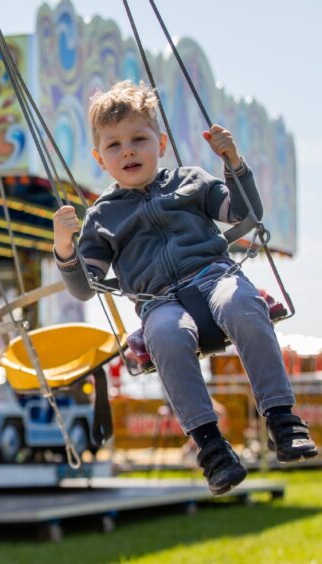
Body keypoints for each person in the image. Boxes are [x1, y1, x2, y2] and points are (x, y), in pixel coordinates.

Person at [53, 80, 317, 495]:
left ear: (160, 142)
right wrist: (64, 247)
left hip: (214, 278)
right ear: (99, 159)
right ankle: (211, 447)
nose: (128, 151)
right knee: (166, 335)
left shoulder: (190, 181)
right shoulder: (102, 216)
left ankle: (282, 419)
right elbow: (85, 287)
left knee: (244, 302)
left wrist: (233, 162)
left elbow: (244, 213)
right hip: (158, 301)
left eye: (139, 139)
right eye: (114, 145)